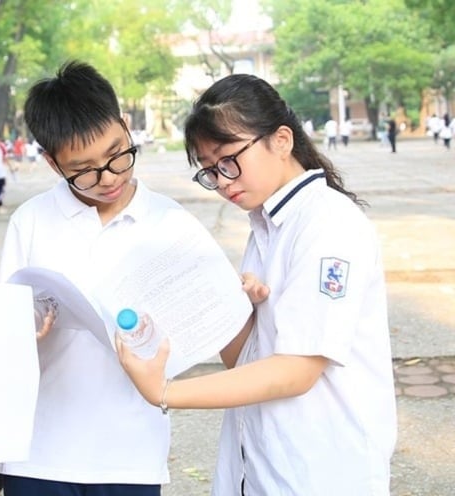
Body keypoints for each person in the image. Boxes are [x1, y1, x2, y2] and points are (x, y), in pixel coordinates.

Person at [117, 74, 397, 495]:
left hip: (321, 472)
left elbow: (296, 371)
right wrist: (222, 304)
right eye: (210, 171)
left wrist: (164, 392)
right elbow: (247, 363)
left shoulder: (329, 225)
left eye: (229, 159)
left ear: (281, 140)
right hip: (262, 467)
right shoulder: (266, 227)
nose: (223, 180)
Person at [0, 61, 247, 496]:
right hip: (39, 452)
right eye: (86, 169)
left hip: (131, 454)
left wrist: (244, 300)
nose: (109, 177)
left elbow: (232, 341)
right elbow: (4, 337)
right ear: (54, 163)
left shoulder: (171, 223)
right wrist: (21, 331)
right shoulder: (31, 221)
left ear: (126, 128)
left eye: (117, 155)